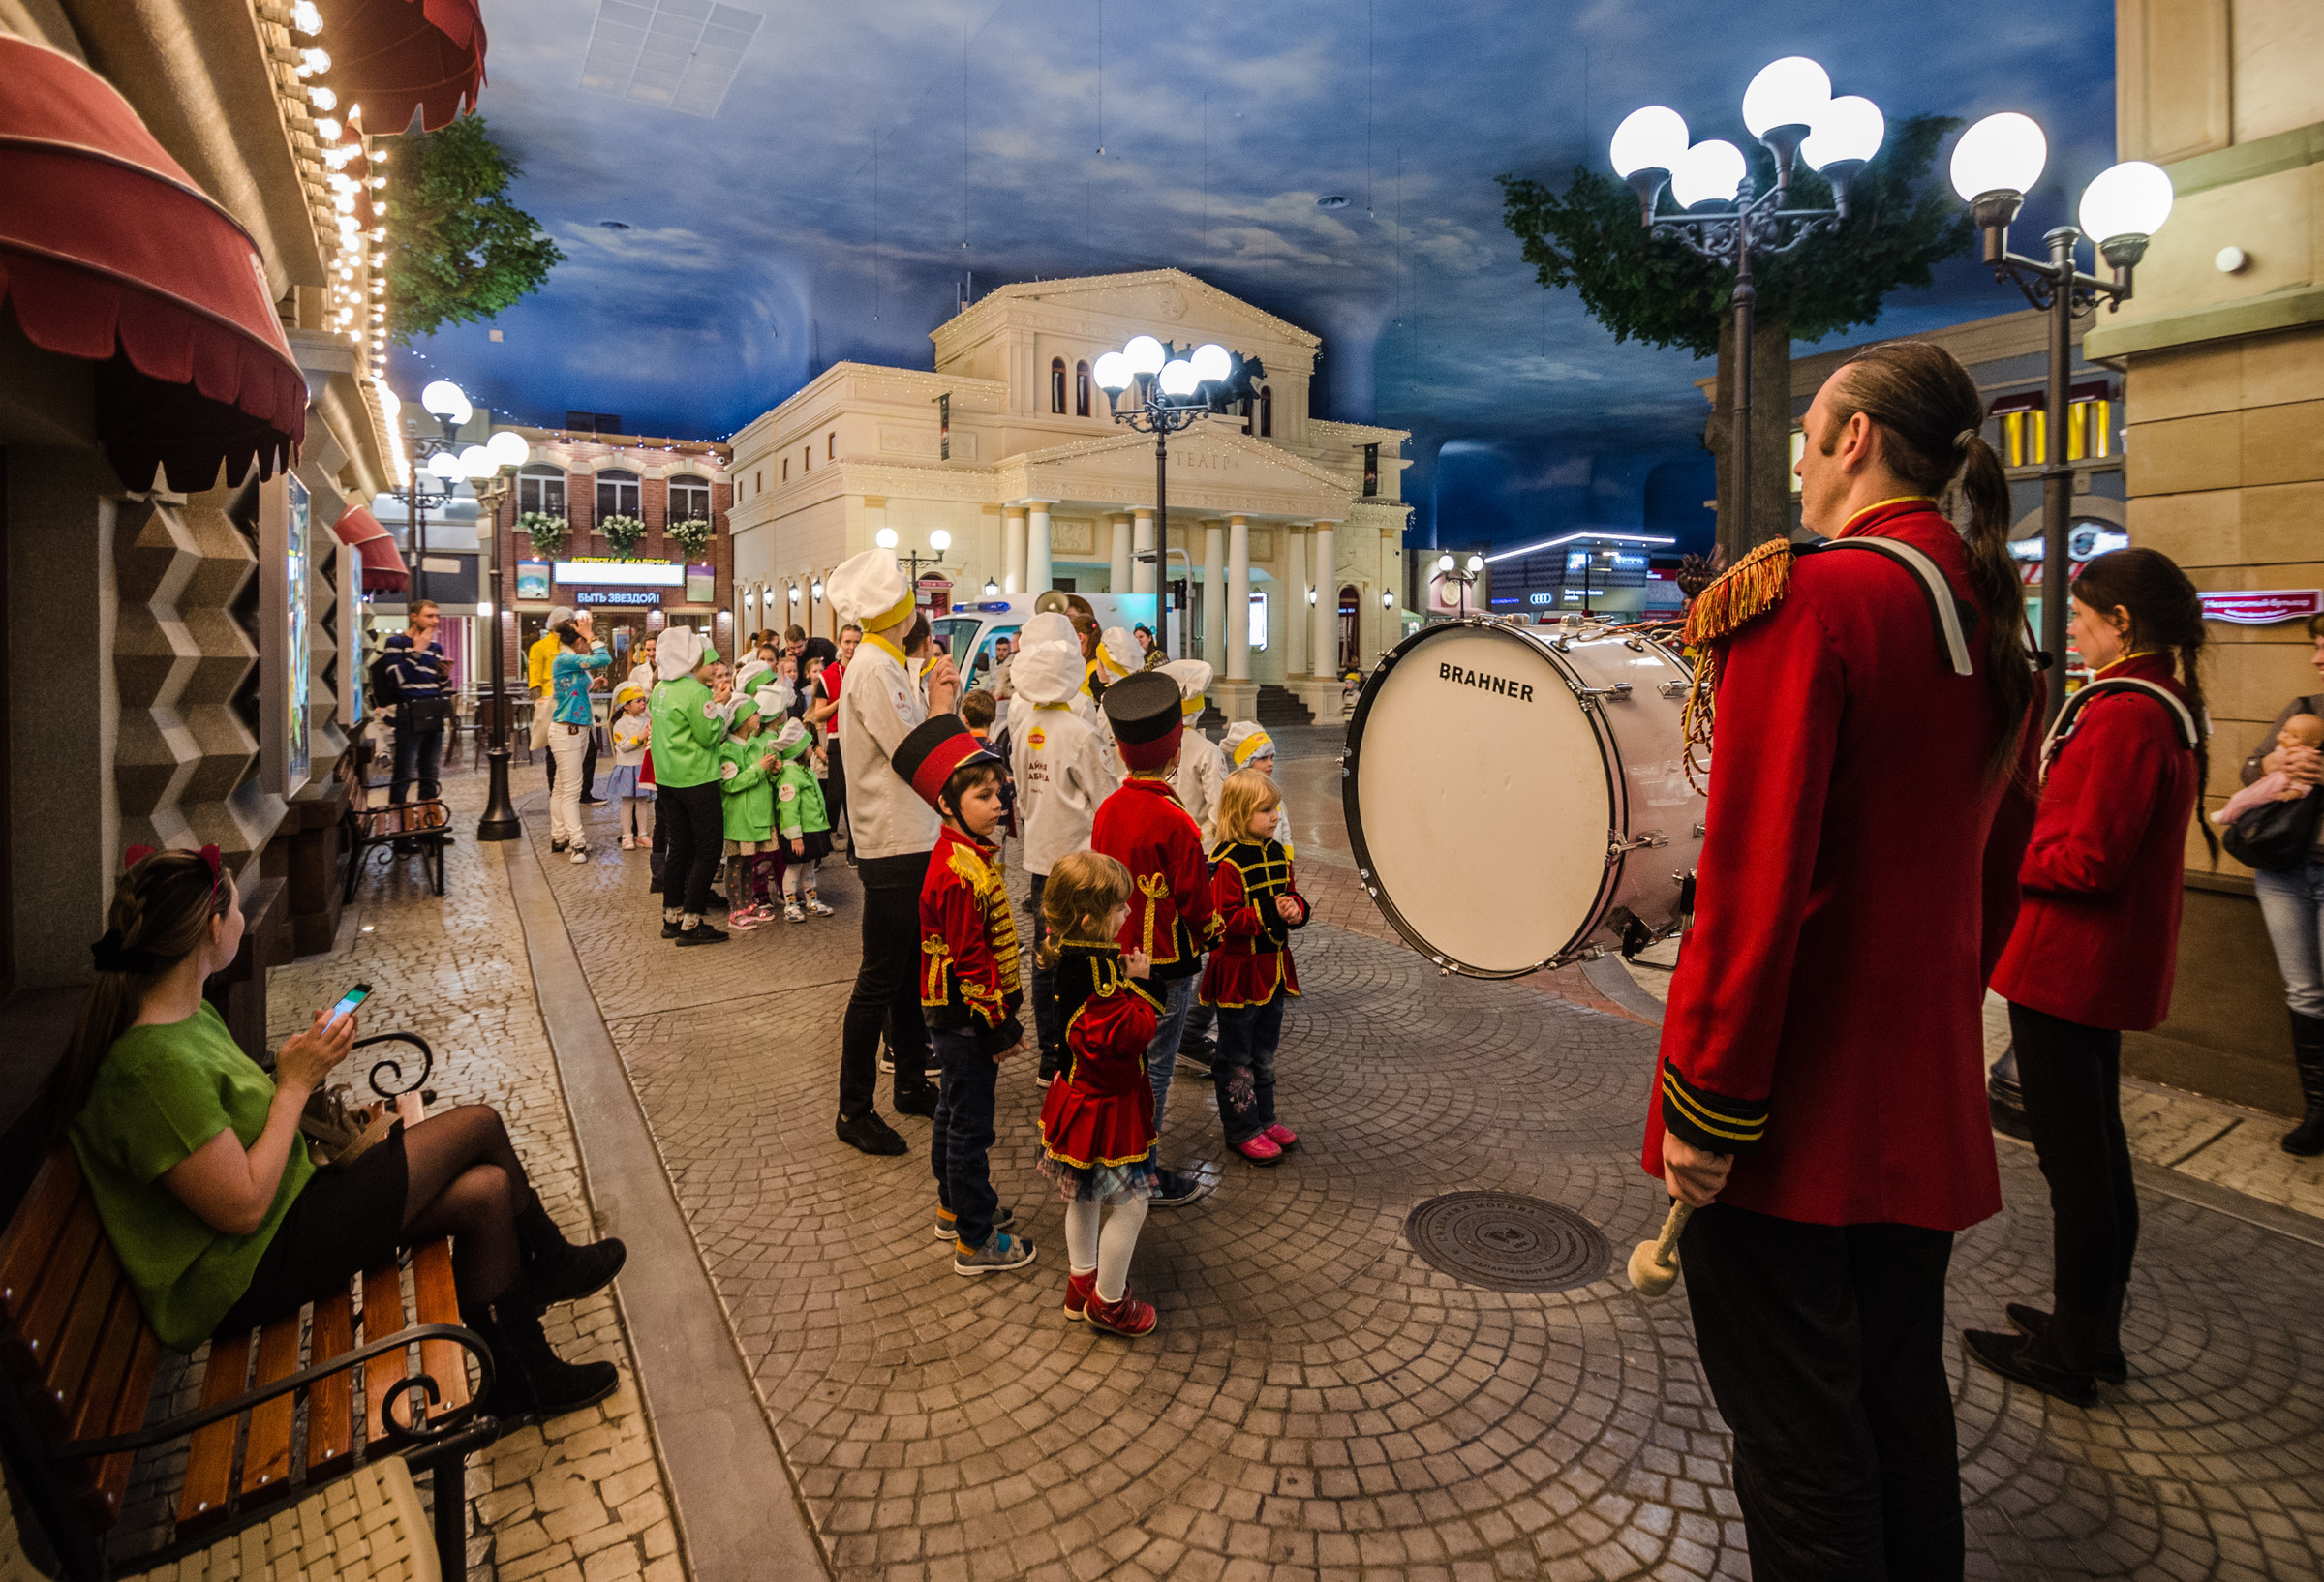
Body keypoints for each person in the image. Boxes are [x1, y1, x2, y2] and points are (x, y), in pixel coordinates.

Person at [1647, 340, 2038, 1580]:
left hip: (1793, 1118)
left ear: (1853, 438)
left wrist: (1703, 1104)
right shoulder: (1989, 610)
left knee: (1802, 1456)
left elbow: (1756, 883)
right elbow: (1994, 869)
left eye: (1809, 432)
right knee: (1896, 1411)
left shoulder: (1812, 598)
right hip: (1917, 1103)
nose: (1798, 461)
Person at [47, 846, 625, 1419]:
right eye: (237, 904)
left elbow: (240, 1126)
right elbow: (244, 1207)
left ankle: (522, 1376)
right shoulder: (148, 1068)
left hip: (286, 1213)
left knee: (487, 1193)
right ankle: (547, 1263)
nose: (244, 917)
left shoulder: (186, 1014)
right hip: (247, 1267)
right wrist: (296, 1084)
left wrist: (301, 1060)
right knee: (480, 1125)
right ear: (211, 927)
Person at [1965, 548, 2211, 1405]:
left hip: (2070, 964)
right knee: (2097, 1154)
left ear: (2126, 625)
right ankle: (2091, 1330)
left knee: (2079, 1166)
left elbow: (2089, 860)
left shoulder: (2124, 715)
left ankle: (2073, 1350)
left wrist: (2008, 856)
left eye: (2084, 615)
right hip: (2099, 965)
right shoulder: (2166, 705)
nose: (2073, 628)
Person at [893, 715, 1034, 1274]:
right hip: (965, 1018)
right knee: (971, 1126)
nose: (998, 803)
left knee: (953, 1110)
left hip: (956, 1017)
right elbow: (972, 960)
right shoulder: (957, 870)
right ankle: (975, 1241)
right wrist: (998, 1025)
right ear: (948, 806)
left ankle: (953, 1207)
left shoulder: (969, 854)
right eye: (983, 795)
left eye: (999, 792)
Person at [830, 552, 949, 1154]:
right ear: (899, 611)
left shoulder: (882, 662)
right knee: (880, 976)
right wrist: (944, 709)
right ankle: (853, 1110)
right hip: (893, 840)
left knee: (905, 973)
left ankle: (907, 1084)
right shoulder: (876, 668)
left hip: (907, 834)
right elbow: (911, 754)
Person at [1093, 670, 1217, 1208]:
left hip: (1114, 959)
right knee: (1157, 1068)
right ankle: (1140, 1172)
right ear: (1175, 754)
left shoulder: (1107, 810)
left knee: (1125, 1065)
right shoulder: (1176, 819)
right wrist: (1213, 932)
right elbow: (1196, 901)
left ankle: (1113, 1155)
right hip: (1165, 964)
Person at [1035, 850, 1161, 1337]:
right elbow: (1125, 1037)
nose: (1128, 914)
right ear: (1090, 919)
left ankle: (1081, 1283)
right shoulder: (1100, 976)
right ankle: (1109, 1304)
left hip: (1077, 1099)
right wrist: (1143, 987)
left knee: (1084, 1198)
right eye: (1119, 908)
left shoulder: (1067, 954)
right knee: (1132, 1205)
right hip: (1107, 1108)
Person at [1012, 635, 1119, 1080]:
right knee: (1083, 958)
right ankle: (1078, 1052)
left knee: (1043, 959)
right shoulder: (1080, 734)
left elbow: (1020, 794)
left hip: (1040, 862)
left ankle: (1048, 1057)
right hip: (1079, 867)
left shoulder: (1022, 730)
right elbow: (1107, 798)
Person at [2242, 612, 2324, 1156]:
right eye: (2316, 645)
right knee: (2305, 993)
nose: (2317, 658)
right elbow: (2250, 770)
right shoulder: (2304, 709)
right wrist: (2271, 761)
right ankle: (2318, 1110)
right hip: (2284, 867)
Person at [1204, 768, 1308, 1164]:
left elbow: (1291, 895)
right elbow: (1223, 919)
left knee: (1264, 1052)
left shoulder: (1279, 853)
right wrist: (1271, 911)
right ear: (1239, 812)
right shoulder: (1226, 863)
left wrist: (1296, 909)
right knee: (1236, 1057)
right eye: (1265, 810)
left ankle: (1265, 1118)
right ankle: (1241, 1128)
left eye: (1275, 809)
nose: (1275, 817)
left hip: (1273, 969)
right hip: (1238, 973)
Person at [649, 628, 731, 946]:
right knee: (708, 849)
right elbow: (709, 736)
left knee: (678, 847)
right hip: (697, 779)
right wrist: (721, 707)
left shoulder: (661, 689)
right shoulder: (696, 693)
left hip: (668, 779)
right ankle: (692, 922)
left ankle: (671, 915)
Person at [1164, 661, 1226, 1072]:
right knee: (1195, 945)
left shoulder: (1158, 746)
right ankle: (1186, 1033)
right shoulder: (1206, 750)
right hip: (1197, 855)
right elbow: (1221, 810)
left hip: (1157, 857)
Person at [717, 691, 781, 931]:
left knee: (748, 864)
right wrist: (758, 768)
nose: (759, 716)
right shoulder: (728, 751)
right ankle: (736, 909)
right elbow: (729, 784)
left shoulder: (755, 745)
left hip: (755, 817)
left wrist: (772, 771)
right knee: (736, 864)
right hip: (739, 819)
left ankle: (749, 903)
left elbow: (764, 778)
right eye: (754, 713)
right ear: (743, 720)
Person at [547, 621, 610, 864]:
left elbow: (570, 689)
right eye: (584, 639)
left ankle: (559, 836)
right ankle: (577, 842)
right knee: (572, 789)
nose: (587, 643)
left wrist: (592, 684)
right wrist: (591, 634)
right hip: (568, 729)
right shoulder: (565, 659)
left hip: (575, 727)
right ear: (579, 641)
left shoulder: (570, 662)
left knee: (562, 787)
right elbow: (604, 659)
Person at [382, 598, 450, 812]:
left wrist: (444, 675)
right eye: (429, 616)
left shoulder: (436, 647)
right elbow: (395, 678)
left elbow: (440, 686)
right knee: (404, 773)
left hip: (433, 711)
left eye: (437, 616)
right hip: (409, 711)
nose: (435, 621)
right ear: (414, 617)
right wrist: (417, 652)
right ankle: (400, 827)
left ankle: (429, 829)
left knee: (430, 774)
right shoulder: (396, 643)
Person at [771, 716, 836, 922]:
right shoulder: (790, 775)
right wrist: (794, 836)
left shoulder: (804, 771)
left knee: (808, 867)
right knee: (794, 868)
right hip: (800, 832)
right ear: (799, 750)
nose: (812, 747)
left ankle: (811, 900)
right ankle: (790, 904)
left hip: (813, 828)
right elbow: (789, 809)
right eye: (809, 744)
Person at [2214, 714, 2322, 825]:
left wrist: (2291, 794)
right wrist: (2268, 763)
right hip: (2269, 783)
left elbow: (2303, 783)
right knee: (2242, 797)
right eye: (2285, 731)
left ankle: (2229, 816)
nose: (2286, 736)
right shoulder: (2303, 705)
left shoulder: (2306, 756)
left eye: (2295, 736)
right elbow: (2251, 766)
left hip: (2282, 793)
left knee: (2250, 801)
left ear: (2314, 743)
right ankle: (2229, 814)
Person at [1221, 723, 1290, 857]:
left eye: (1272, 757)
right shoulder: (1238, 794)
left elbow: (1285, 832)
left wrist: (1287, 858)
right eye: (1263, 758)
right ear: (1245, 762)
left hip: (1276, 859)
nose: (1270, 763)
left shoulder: (1273, 793)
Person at [609, 683, 655, 850]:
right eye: (638, 701)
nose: (643, 703)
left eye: (643, 700)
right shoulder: (620, 724)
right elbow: (623, 745)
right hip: (628, 767)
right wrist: (640, 737)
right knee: (627, 802)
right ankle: (627, 835)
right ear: (626, 706)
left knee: (643, 802)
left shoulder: (646, 720)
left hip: (642, 766)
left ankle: (642, 834)